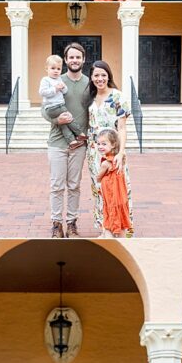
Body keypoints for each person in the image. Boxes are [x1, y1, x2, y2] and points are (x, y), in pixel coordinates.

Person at [43, 42, 90, 239]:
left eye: (78, 57)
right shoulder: (55, 79)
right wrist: (56, 119)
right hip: (57, 142)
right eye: (71, 57)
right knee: (56, 185)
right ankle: (56, 224)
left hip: (79, 144)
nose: (74, 60)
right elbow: (44, 109)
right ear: (66, 60)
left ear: (83, 59)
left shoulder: (90, 82)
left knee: (74, 185)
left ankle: (71, 224)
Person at [85, 60, 134, 237]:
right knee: (99, 189)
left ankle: (123, 228)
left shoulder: (117, 96)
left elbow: (122, 128)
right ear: (91, 77)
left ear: (109, 76)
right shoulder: (89, 98)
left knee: (120, 190)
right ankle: (105, 227)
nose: (100, 79)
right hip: (94, 152)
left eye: (103, 75)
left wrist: (121, 153)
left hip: (113, 153)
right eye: (96, 75)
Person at [39, 55, 86, 148]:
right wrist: (55, 89)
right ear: (46, 69)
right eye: (53, 68)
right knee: (69, 117)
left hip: (58, 105)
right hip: (53, 107)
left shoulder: (59, 79)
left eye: (58, 69)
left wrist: (63, 87)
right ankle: (80, 133)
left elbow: (65, 91)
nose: (56, 71)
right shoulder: (46, 80)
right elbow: (42, 92)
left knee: (63, 124)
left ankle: (72, 141)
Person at [95, 128, 132, 237]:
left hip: (111, 197)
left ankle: (109, 242)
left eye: (104, 144)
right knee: (120, 223)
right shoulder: (120, 159)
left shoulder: (106, 163)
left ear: (113, 145)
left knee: (108, 223)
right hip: (119, 197)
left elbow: (98, 177)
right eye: (98, 144)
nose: (100, 146)